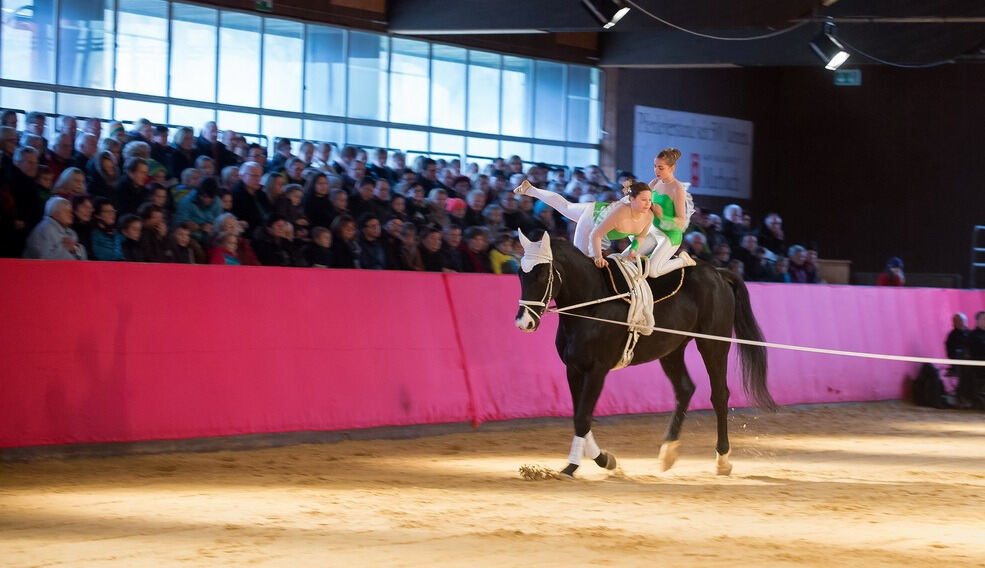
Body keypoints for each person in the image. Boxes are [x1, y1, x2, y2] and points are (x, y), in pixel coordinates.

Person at [513, 178, 655, 270]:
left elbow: (640, 237)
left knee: (566, 207)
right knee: (579, 260)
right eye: (644, 200)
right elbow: (596, 234)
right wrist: (598, 256)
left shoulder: (649, 216)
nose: (648, 204)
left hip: (597, 209)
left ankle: (530, 189)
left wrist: (633, 250)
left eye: (649, 200)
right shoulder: (620, 213)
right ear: (631, 199)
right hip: (591, 222)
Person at [23, 197, 88, 260]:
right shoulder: (44, 230)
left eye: (70, 212)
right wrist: (67, 249)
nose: (71, 214)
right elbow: (43, 259)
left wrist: (75, 249)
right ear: (54, 214)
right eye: (66, 211)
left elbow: (83, 258)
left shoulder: (71, 232)